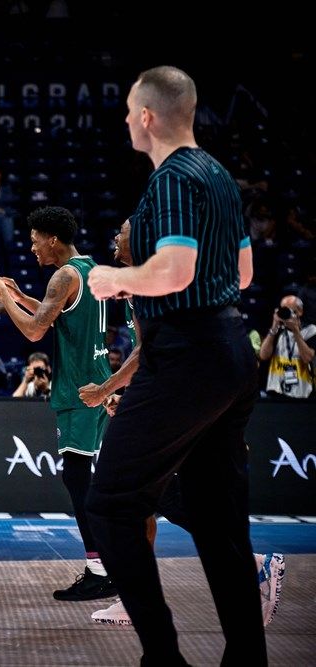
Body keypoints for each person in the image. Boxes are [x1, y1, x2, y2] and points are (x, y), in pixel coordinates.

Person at [85, 66, 263, 666]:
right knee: (219, 523)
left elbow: (175, 271)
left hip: (187, 356)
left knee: (111, 503)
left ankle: (162, 658)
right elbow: (242, 276)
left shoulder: (169, 181)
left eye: (129, 111)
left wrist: (115, 279)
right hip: (232, 351)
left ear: (147, 117)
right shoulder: (217, 175)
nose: (127, 120)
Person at [80, 220, 287, 629]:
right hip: (195, 383)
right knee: (153, 496)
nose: (115, 236)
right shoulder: (137, 286)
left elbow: (155, 351)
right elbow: (148, 350)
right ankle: (249, 566)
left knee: (121, 493)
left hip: (201, 382)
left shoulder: (160, 277)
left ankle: (148, 601)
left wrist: (107, 390)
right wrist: (135, 397)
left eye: (122, 230)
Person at [0, 206, 113, 602]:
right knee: (85, 478)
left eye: (36, 239)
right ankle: (105, 565)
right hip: (97, 383)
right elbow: (60, 314)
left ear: (52, 239)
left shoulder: (64, 274)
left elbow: (36, 330)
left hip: (79, 390)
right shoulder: (88, 269)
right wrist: (21, 294)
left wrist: (4, 297)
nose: (32, 246)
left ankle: (100, 569)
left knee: (78, 479)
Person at [259, 295, 314, 399]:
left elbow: (307, 358)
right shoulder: (276, 331)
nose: (287, 314)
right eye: (284, 310)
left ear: (300, 312)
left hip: (302, 394)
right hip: (275, 392)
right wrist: (274, 327)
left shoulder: (311, 331)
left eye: (290, 310)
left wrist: (296, 332)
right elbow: (263, 355)